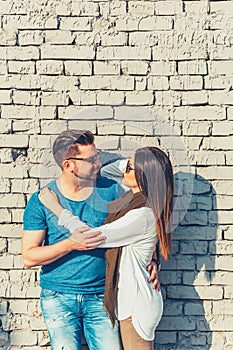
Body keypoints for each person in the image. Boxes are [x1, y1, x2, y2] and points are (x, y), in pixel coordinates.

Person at [22, 130, 159, 350]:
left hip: (102, 296)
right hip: (58, 297)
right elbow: (29, 257)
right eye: (92, 159)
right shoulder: (43, 200)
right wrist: (69, 244)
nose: (99, 163)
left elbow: (140, 227)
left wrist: (152, 261)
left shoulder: (111, 190)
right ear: (69, 165)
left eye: (98, 156)